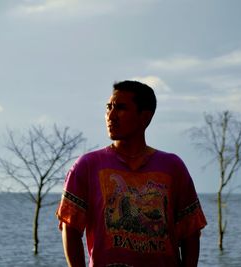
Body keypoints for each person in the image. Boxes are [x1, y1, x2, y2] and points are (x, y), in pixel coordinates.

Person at [56, 80, 207, 267]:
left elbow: (190, 232)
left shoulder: (172, 167)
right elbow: (70, 228)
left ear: (145, 117)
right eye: (108, 107)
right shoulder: (87, 165)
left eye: (120, 108)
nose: (111, 115)